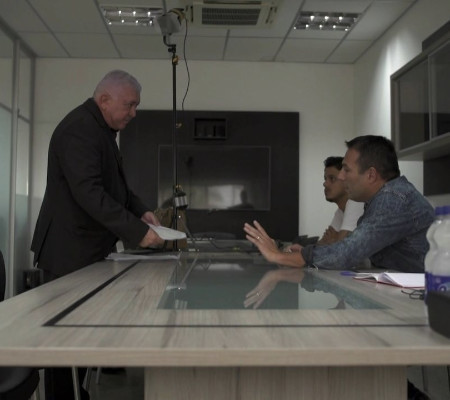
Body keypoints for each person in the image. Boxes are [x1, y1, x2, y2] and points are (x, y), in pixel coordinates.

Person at [31, 70, 163, 399]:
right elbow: (89, 193)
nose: (134, 113)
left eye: (136, 105)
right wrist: (139, 233)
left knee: (81, 337)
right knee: (64, 342)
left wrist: (141, 212)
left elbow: (115, 188)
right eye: (130, 105)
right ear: (104, 100)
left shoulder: (100, 129)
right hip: (68, 252)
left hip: (86, 249)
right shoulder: (79, 129)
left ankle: (79, 393)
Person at [244, 135, 435, 273]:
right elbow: (351, 249)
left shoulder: (392, 198)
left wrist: (279, 256)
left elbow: (347, 252)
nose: (342, 177)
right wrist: (310, 253)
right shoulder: (381, 198)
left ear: (371, 175)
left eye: (346, 170)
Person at [317, 156, 364, 244]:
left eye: (332, 178)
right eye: (325, 179)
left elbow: (341, 249)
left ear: (346, 180)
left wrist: (333, 241)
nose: (325, 184)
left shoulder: (355, 203)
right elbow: (321, 244)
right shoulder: (340, 211)